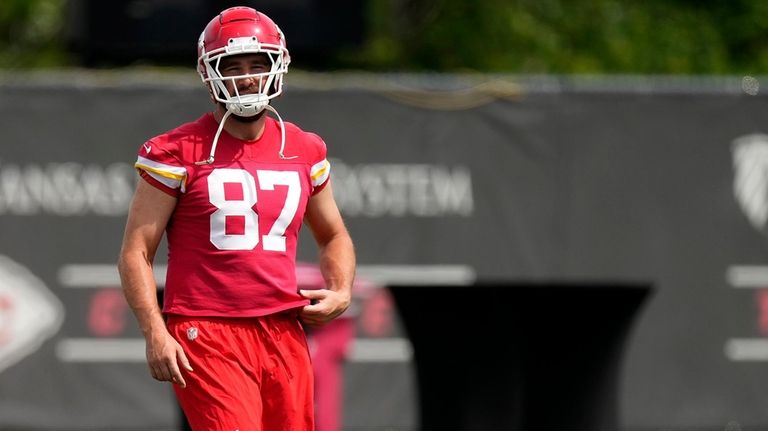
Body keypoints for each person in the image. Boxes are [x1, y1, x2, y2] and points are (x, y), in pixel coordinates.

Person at [117, 6, 356, 430]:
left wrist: (341, 289)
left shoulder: (305, 148)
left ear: (277, 67)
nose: (246, 77)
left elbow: (334, 234)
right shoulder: (177, 150)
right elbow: (136, 251)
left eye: (256, 64)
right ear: (210, 74)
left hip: (282, 328)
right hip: (207, 330)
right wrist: (154, 330)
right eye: (233, 65)